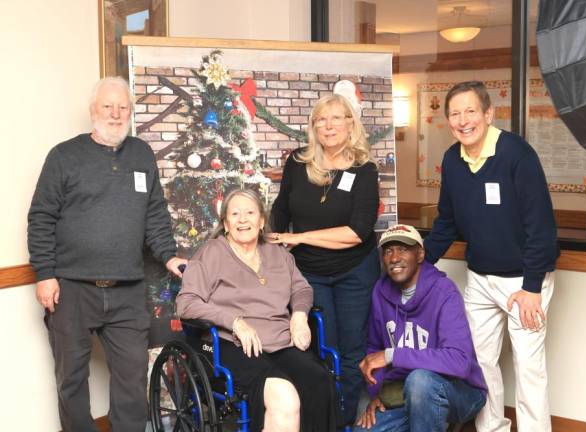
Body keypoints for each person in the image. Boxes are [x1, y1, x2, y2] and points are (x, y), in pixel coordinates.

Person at [27, 76, 186, 432]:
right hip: (71, 288)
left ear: (130, 112)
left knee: (131, 379)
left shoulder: (141, 154)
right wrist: (44, 274)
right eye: (107, 106)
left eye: (123, 107)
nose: (115, 114)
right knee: (71, 380)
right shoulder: (64, 156)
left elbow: (154, 214)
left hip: (127, 289)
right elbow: (41, 217)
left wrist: (169, 256)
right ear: (92, 111)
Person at [423, 81, 559, 432]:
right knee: (480, 364)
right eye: (454, 113)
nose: (463, 120)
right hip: (480, 279)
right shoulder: (452, 160)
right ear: (448, 121)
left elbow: (541, 226)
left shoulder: (517, 154)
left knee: (528, 366)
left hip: (525, 280)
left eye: (470, 111)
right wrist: (420, 264)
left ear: (488, 114)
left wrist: (531, 288)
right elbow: (447, 222)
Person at [176, 188, 342, 432]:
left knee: (318, 381)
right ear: (225, 223)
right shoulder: (211, 253)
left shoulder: (278, 254)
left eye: (250, 212)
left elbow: (302, 289)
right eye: (235, 214)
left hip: (280, 342)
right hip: (231, 345)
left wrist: (298, 315)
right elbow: (186, 303)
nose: (243, 219)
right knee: (284, 397)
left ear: (262, 220)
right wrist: (235, 322)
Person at [269, 92, 381, 425]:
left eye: (336, 118)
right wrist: (276, 239)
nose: (329, 125)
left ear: (351, 124)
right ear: (313, 126)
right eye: (321, 119)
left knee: (350, 352)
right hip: (309, 274)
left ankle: (343, 420)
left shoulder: (364, 170)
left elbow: (358, 232)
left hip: (354, 272)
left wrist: (299, 237)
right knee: (319, 349)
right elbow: (281, 209)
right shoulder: (298, 162)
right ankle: (320, 418)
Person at [355, 224, 487, 432]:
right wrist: (378, 394)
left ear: (420, 254)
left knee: (421, 382)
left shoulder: (444, 291)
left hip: (460, 391)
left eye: (403, 249)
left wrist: (392, 355)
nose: (395, 257)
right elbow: (374, 349)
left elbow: (460, 362)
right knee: (364, 429)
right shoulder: (380, 292)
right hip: (405, 390)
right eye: (388, 251)